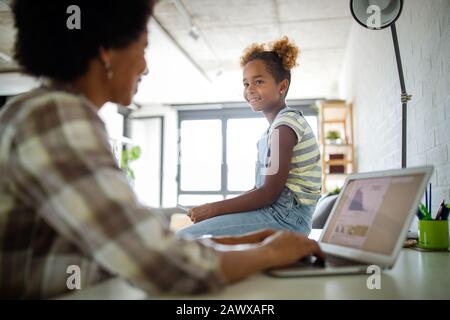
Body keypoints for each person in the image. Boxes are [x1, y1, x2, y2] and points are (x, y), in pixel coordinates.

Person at [0, 0, 323, 299]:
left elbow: (132, 243)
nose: (145, 66)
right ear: (106, 51)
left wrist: (242, 241)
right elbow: (159, 262)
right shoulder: (56, 119)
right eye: (143, 48)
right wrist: (270, 252)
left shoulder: (48, 113)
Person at [177, 37, 322, 238]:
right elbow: (259, 189)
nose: (249, 90)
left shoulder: (285, 126)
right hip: (276, 213)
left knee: (184, 238)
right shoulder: (271, 132)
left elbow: (269, 194)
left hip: (287, 219)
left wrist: (213, 209)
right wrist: (214, 209)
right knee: (198, 231)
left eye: (259, 81)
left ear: (282, 86)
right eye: (246, 83)